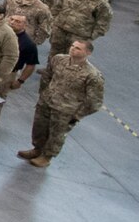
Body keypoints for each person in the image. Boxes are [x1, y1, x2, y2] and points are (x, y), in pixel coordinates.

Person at [20, 39, 104, 168]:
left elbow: (95, 102)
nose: (72, 49)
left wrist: (77, 115)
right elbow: (48, 75)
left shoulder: (92, 75)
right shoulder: (59, 59)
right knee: (39, 127)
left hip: (65, 109)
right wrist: (44, 93)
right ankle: (37, 149)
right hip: (47, 101)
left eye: (78, 48)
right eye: (72, 46)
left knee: (56, 134)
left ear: (88, 53)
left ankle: (47, 156)